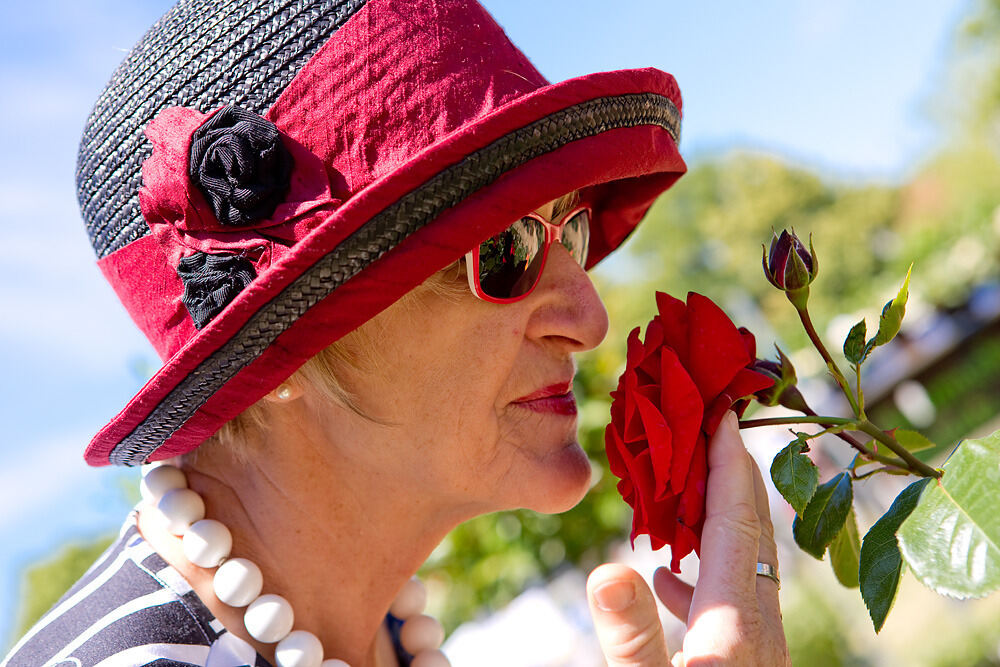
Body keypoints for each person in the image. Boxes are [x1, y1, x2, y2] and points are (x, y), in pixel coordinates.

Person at [3, 0, 789, 665]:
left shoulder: (376, 634)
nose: (589, 321)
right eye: (504, 247)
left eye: (571, 233)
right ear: (281, 349)